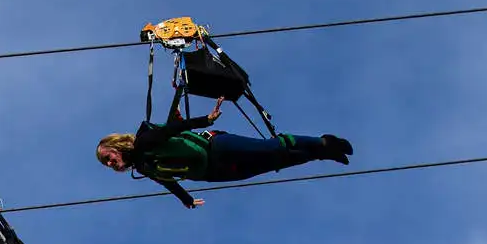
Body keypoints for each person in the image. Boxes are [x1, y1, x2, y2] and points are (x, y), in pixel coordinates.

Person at [95, 97, 355, 208]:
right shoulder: (143, 167)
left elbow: (175, 128)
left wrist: (205, 120)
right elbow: (168, 182)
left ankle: (321, 142)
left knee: (270, 147)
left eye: (109, 157)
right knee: (274, 162)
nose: (111, 163)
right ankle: (321, 154)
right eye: (107, 164)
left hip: (215, 146)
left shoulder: (143, 141)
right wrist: (186, 199)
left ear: (117, 146)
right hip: (215, 172)